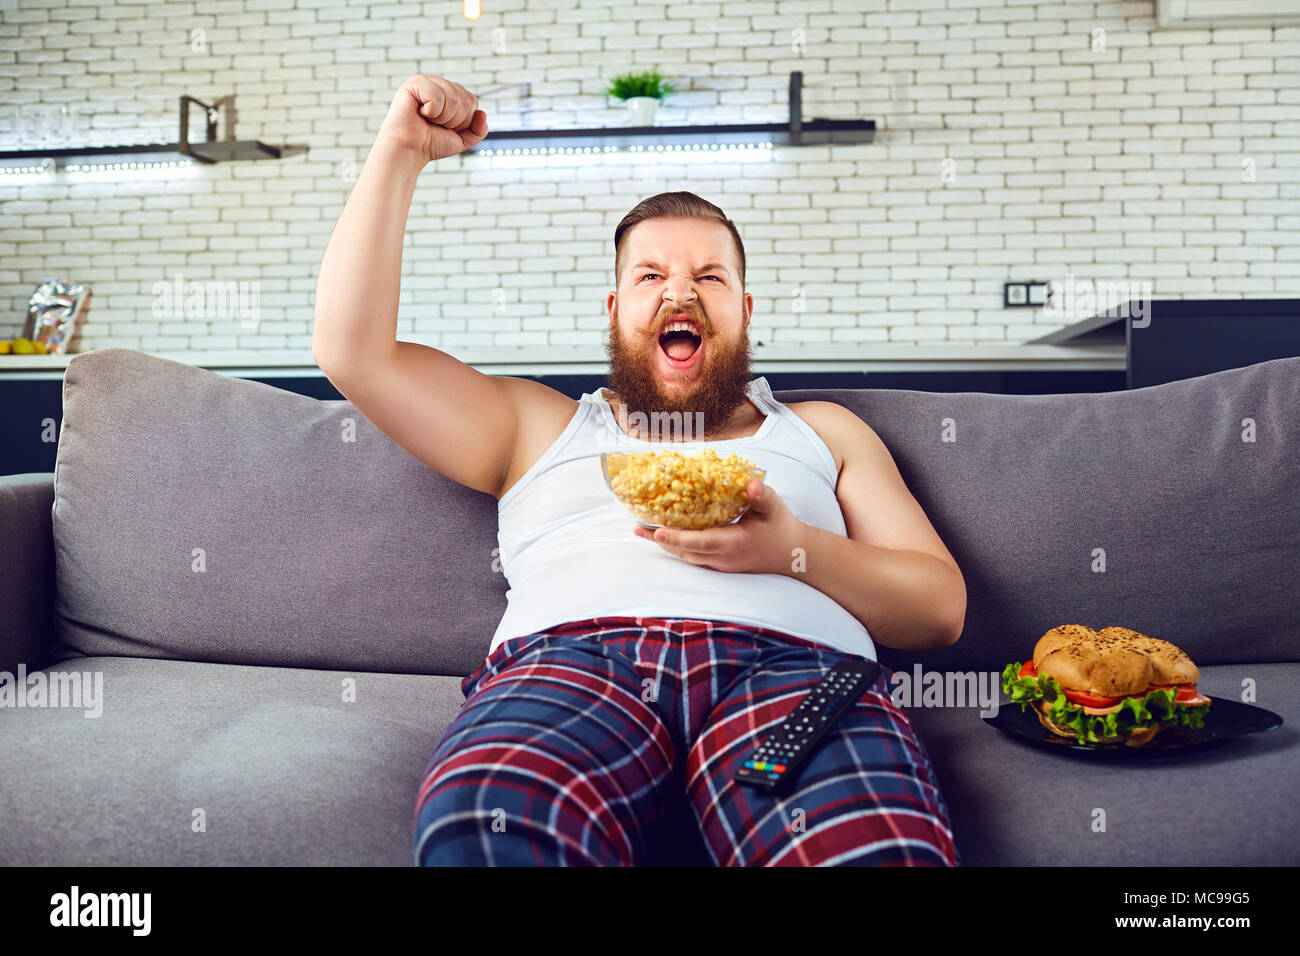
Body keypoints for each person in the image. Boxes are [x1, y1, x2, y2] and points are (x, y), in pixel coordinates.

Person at [314, 75, 967, 867]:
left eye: (710, 277)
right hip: (572, 667)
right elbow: (353, 353)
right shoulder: (537, 425)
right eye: (650, 276)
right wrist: (401, 154)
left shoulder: (823, 431)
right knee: (486, 830)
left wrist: (790, 549)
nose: (679, 291)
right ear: (616, 308)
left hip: (797, 672)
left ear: (746, 311)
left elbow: (938, 610)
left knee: (864, 853)